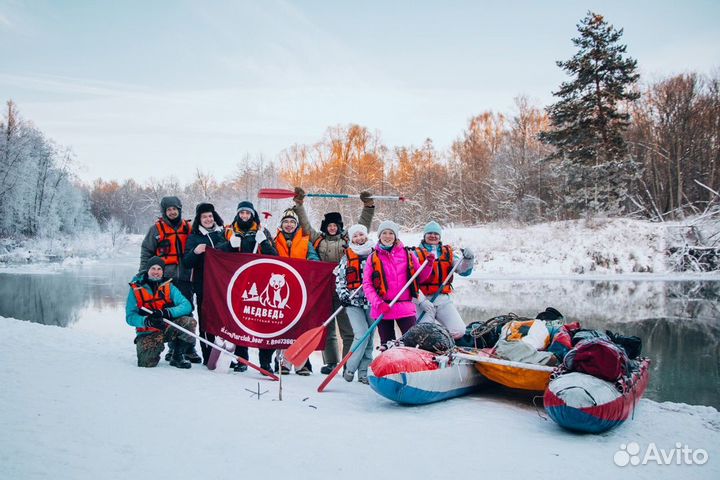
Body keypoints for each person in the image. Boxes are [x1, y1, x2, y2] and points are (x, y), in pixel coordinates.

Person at [293, 187, 375, 374]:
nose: (332, 227)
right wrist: (299, 205)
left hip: (346, 290)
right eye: (329, 225)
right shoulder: (318, 240)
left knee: (347, 329)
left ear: (340, 226)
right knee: (327, 328)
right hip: (324, 289)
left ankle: (347, 361)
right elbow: (305, 225)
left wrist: (368, 207)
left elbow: (363, 226)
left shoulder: (349, 240)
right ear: (325, 226)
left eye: (335, 225)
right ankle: (330, 362)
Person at [218, 201, 278, 372]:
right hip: (237, 283)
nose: (244, 216)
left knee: (263, 322)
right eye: (242, 213)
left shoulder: (262, 231)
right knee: (239, 321)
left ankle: (265, 362)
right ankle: (241, 359)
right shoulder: (229, 231)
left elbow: (275, 256)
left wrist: (264, 243)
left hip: (260, 282)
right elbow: (216, 254)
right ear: (238, 214)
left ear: (253, 215)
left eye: (248, 213)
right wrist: (229, 245)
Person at [139, 196, 200, 363]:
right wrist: (143, 275)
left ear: (179, 209)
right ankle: (174, 350)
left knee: (187, 311)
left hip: (186, 277)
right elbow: (146, 252)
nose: (172, 212)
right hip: (164, 279)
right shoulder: (156, 230)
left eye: (175, 209)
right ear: (164, 212)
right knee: (168, 312)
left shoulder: (189, 228)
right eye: (169, 209)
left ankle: (188, 347)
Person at [362, 220, 435, 346]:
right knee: (387, 345)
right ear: (379, 236)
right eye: (384, 233)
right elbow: (367, 285)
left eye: (391, 233)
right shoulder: (372, 257)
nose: (387, 236)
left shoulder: (408, 254)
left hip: (405, 307)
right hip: (383, 308)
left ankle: (411, 366)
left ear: (395, 236)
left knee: (413, 344)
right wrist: (379, 304)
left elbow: (420, 278)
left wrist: (428, 265)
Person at [125, 256, 197, 369]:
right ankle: (155, 347)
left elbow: (186, 305)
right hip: (148, 332)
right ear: (147, 270)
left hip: (166, 328)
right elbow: (130, 317)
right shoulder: (136, 289)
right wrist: (146, 321)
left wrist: (166, 312)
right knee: (146, 363)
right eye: (153, 268)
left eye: (159, 269)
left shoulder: (169, 286)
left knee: (189, 322)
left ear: (163, 272)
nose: (156, 272)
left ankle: (177, 356)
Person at [272, 207, 318, 375]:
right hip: (281, 289)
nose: (289, 225)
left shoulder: (306, 241)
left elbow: (314, 260)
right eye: (286, 222)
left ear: (296, 225)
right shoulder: (274, 240)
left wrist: (308, 266)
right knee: (282, 326)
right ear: (282, 224)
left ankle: (301, 362)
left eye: (292, 222)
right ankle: (283, 362)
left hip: (300, 289)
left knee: (301, 325)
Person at [412, 221, 475, 340]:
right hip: (422, 299)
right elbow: (409, 280)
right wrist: (421, 301)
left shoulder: (448, 253)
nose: (433, 236)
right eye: (429, 233)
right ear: (424, 235)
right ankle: (429, 344)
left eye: (436, 234)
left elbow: (463, 270)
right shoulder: (415, 254)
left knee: (459, 331)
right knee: (423, 335)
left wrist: (468, 259)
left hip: (441, 298)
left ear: (439, 236)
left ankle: (444, 344)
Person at [181, 203, 225, 365]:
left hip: (223, 286)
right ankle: (208, 356)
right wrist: (196, 251)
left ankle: (225, 354)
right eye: (204, 216)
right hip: (203, 286)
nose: (208, 219)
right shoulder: (194, 237)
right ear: (199, 219)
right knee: (206, 320)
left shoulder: (223, 234)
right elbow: (187, 262)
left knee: (224, 320)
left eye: (210, 216)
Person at [336, 224, 375, 384]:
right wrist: (343, 295)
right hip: (353, 301)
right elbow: (340, 278)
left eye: (361, 235)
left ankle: (364, 372)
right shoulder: (347, 256)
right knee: (361, 334)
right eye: (355, 236)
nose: (359, 238)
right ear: (351, 239)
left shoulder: (375, 253)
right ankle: (350, 368)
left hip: (372, 301)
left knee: (370, 337)